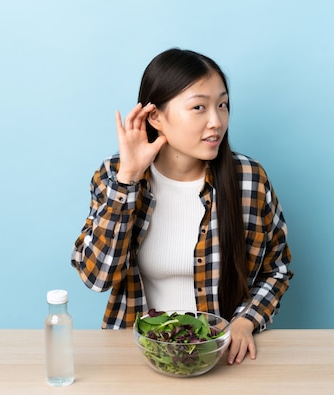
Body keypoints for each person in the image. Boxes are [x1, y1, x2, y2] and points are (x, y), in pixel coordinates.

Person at [71, 48, 293, 365]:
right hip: (137, 358)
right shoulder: (114, 175)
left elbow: (277, 269)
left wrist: (246, 320)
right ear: (156, 117)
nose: (216, 121)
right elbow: (97, 277)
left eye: (223, 105)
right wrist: (128, 180)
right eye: (199, 107)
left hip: (220, 357)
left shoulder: (248, 180)